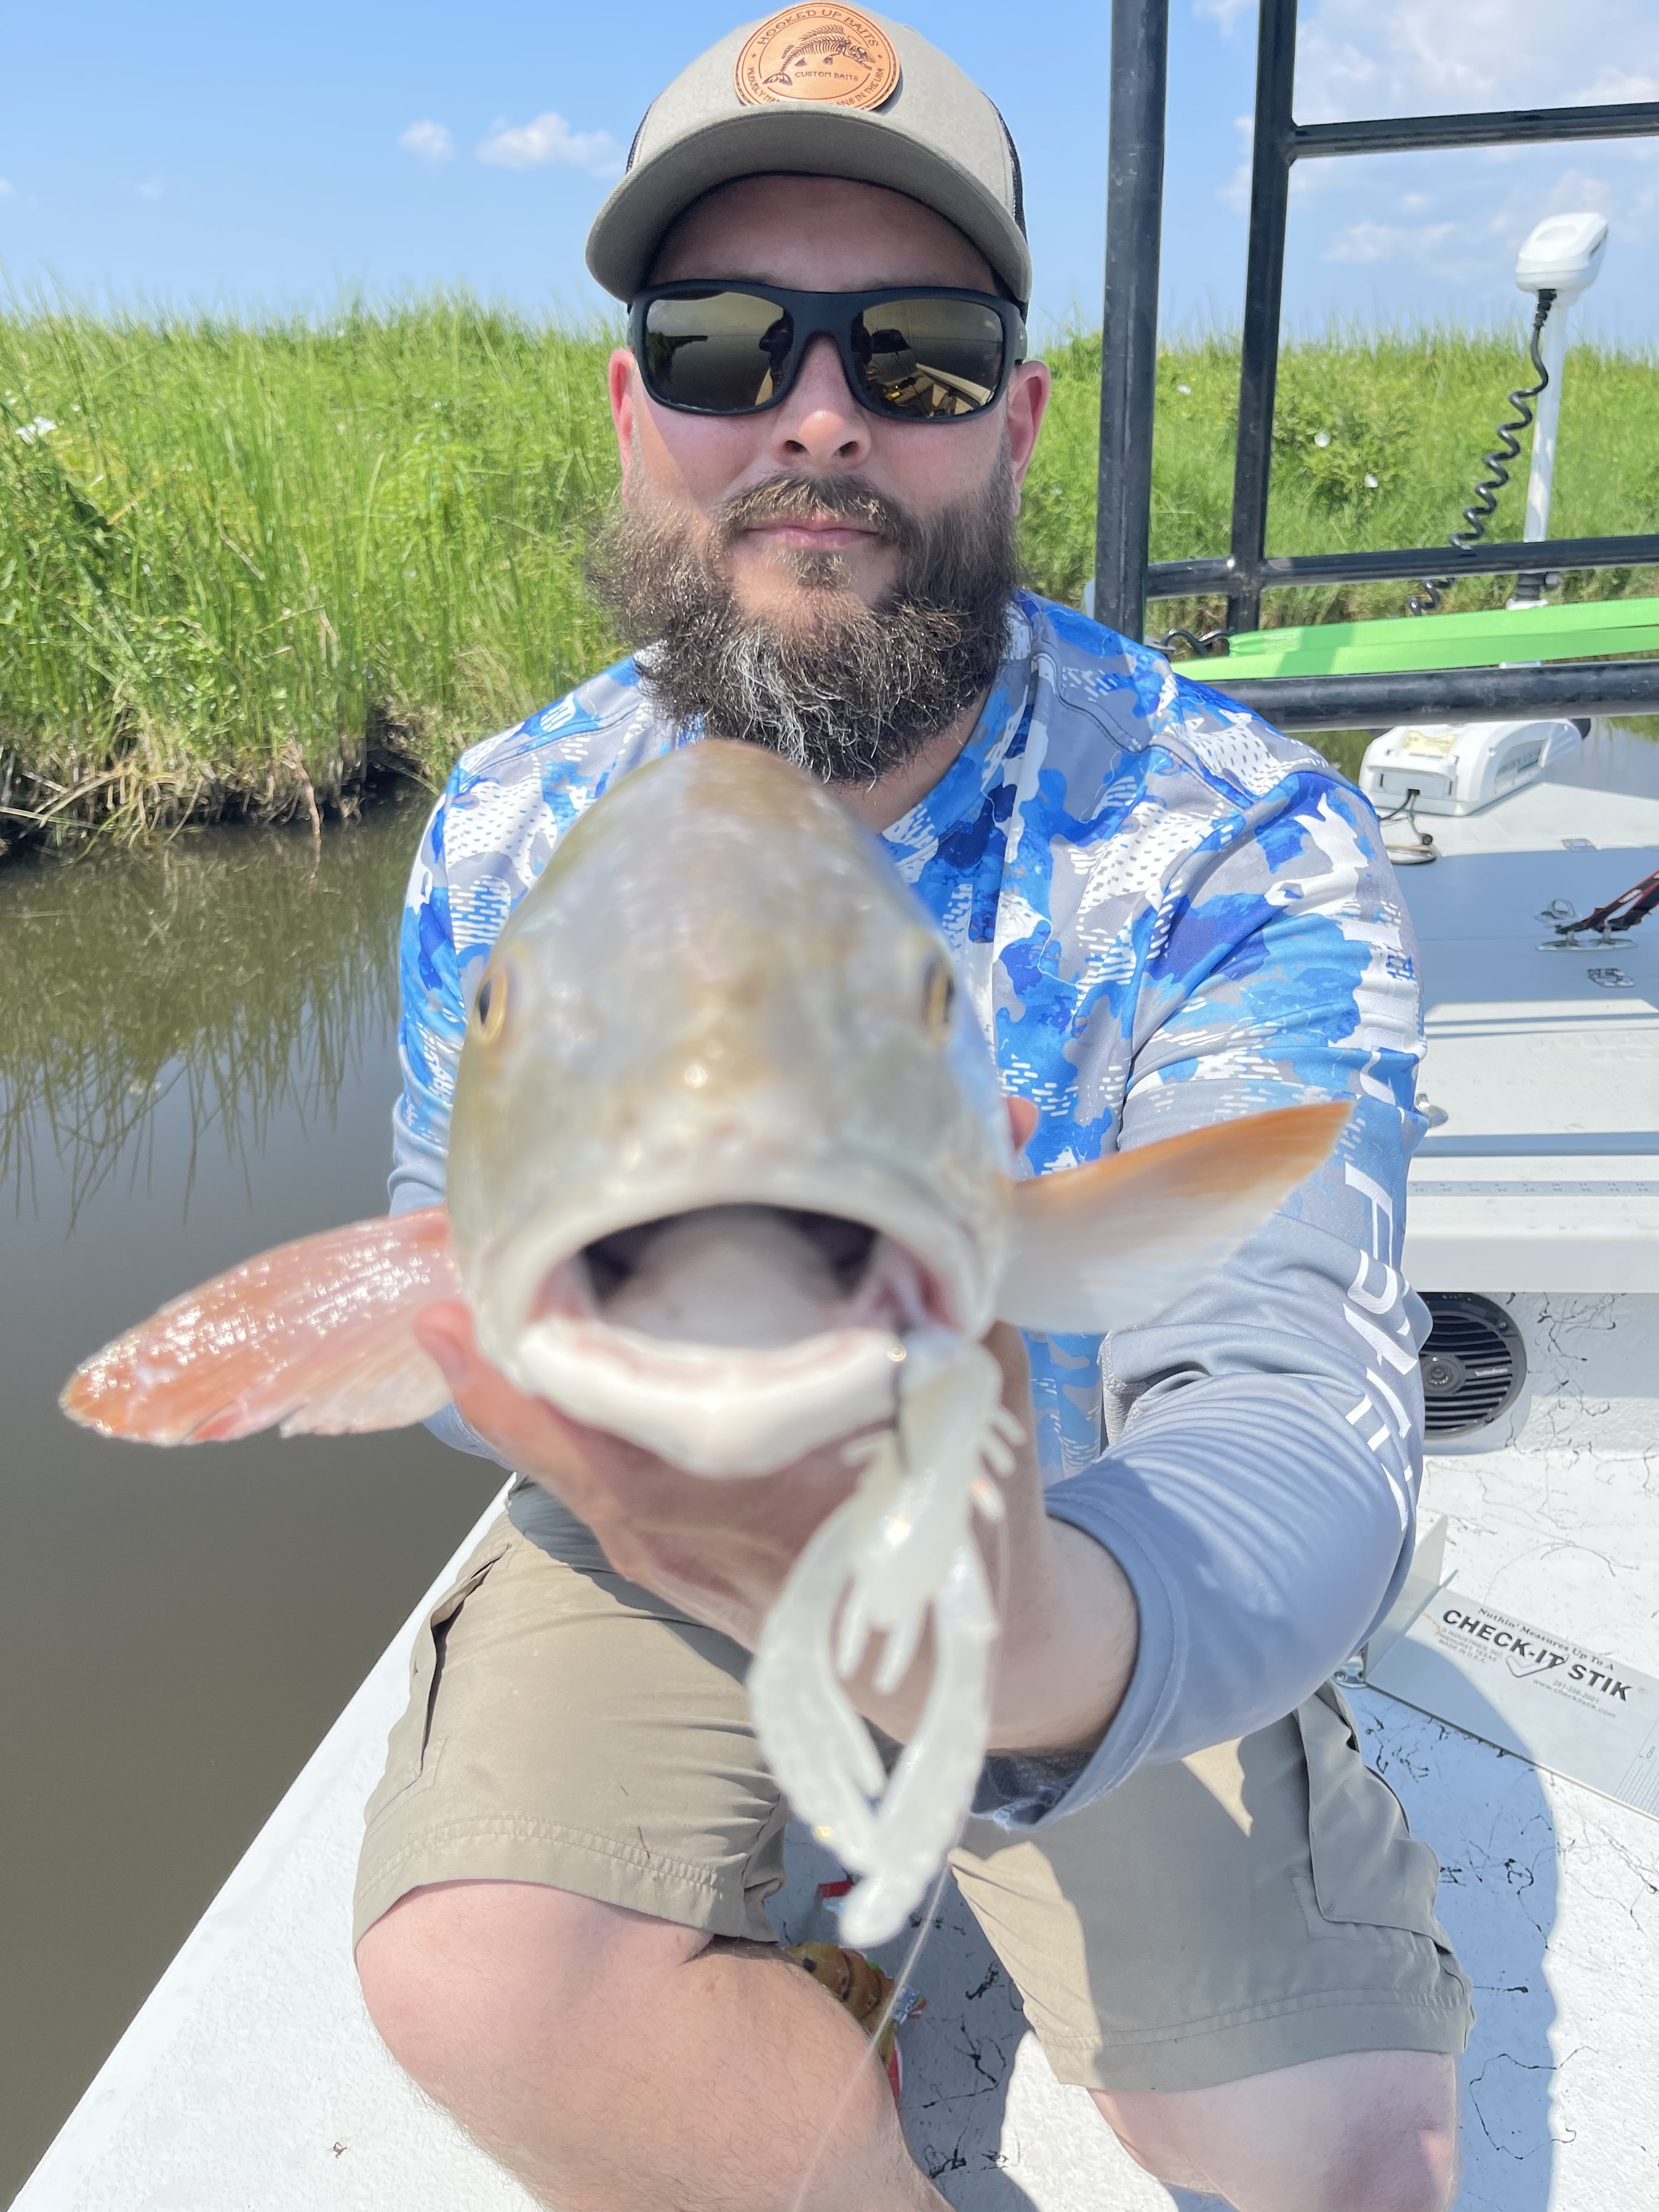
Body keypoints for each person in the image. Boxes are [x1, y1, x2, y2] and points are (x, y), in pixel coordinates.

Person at [353, 12, 1471, 2209]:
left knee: (1338, 2155)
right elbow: (429, 1245)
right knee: (486, 1977)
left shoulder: (1235, 833)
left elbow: (1295, 1396)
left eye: (920, 357)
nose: (819, 419)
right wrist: (608, 1418)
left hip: (1083, 1514)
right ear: (630, 403)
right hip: (646, 1516)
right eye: (721, 345)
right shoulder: (505, 826)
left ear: (1017, 418)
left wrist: (1043, 1630)